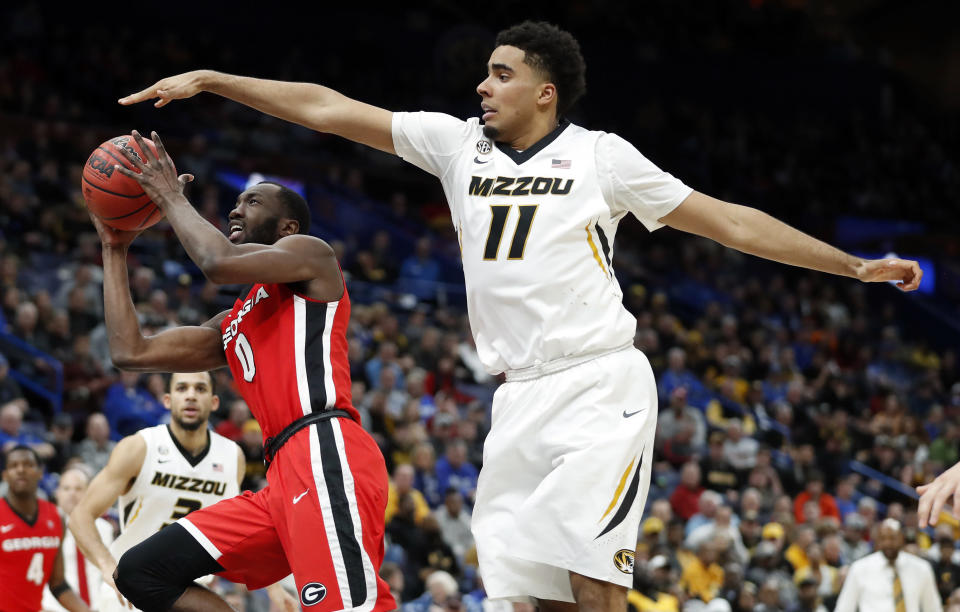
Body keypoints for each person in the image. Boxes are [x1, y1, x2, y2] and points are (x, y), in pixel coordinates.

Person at [122, 20, 923, 610]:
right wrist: (215, 79)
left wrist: (850, 264)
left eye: (499, 74)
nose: (482, 86)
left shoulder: (602, 157)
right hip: (516, 399)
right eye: (483, 74)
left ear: (545, 91)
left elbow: (730, 221)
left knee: (590, 574)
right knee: (524, 597)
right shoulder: (453, 144)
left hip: (598, 384)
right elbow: (329, 108)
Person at [86, 140, 394, 612]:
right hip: (279, 477)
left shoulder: (311, 256)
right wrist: (114, 249)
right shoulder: (233, 321)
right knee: (141, 572)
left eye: (252, 202)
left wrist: (171, 197)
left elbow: (218, 263)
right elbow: (131, 352)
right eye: (235, 202)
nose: (236, 209)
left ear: (287, 226)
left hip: (323, 447)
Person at [69, 371, 244, 611]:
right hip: (132, 593)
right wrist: (108, 567)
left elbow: (239, 530)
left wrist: (275, 589)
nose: (191, 396)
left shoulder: (233, 456)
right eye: (182, 388)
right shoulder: (139, 446)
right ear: (167, 400)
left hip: (191, 596)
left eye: (200, 389)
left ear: (215, 401)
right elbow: (81, 516)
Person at [0, 446, 90, 612]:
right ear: (5, 475)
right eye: (14, 466)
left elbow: (58, 584)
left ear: (40, 472)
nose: (20, 470)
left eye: (28, 464)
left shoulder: (55, 517)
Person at [41, 467, 114, 611]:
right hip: (54, 607)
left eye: (78, 488)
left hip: (97, 606)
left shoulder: (105, 528)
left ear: (88, 492)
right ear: (57, 493)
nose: (72, 493)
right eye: (66, 488)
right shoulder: (45, 527)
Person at [834, 518, 941, 612]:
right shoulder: (859, 568)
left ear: (902, 539)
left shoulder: (921, 568)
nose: (887, 543)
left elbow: (933, 608)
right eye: (883, 538)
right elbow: (844, 608)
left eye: (892, 538)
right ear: (877, 541)